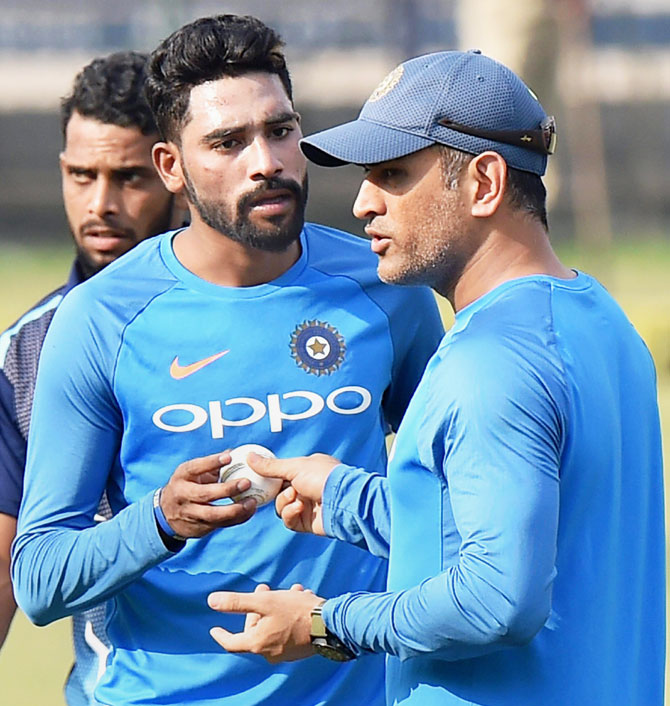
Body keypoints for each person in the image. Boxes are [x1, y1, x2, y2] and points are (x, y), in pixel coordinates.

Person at [206, 50, 666, 705]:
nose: (364, 203)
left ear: (483, 183)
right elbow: (514, 529)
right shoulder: (599, 321)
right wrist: (344, 498)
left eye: (393, 174)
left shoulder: (492, 361)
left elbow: (497, 598)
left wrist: (322, 623)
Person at [11, 15, 443, 706]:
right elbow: (39, 579)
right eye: (227, 142)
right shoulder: (101, 320)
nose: (265, 160)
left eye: (279, 130)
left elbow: (453, 498)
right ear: (171, 167)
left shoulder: (384, 291)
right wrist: (161, 518)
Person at [0, 51, 186, 704]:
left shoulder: (296, 306)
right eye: (81, 175)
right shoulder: (24, 354)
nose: (100, 204)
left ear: (176, 172)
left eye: (128, 177)